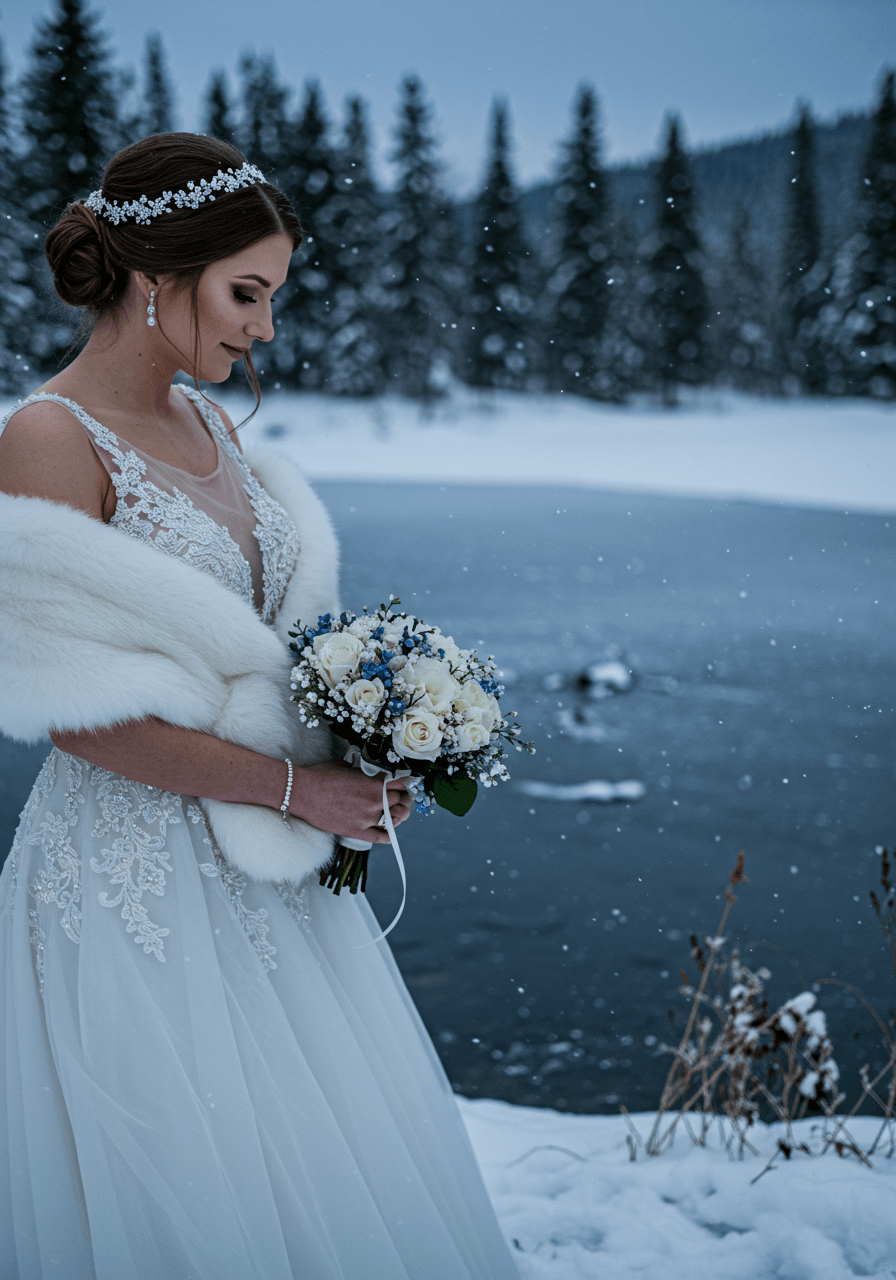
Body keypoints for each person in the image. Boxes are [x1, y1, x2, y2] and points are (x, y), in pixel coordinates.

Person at [0, 133, 519, 1279]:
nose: (263, 328)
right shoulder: (46, 436)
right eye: (246, 293)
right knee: (182, 1172)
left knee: (317, 1155)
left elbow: (268, 644)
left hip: (273, 867)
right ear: (156, 277)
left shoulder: (215, 427)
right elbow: (74, 708)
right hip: (125, 872)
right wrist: (295, 785)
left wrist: (372, 735)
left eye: (272, 297)